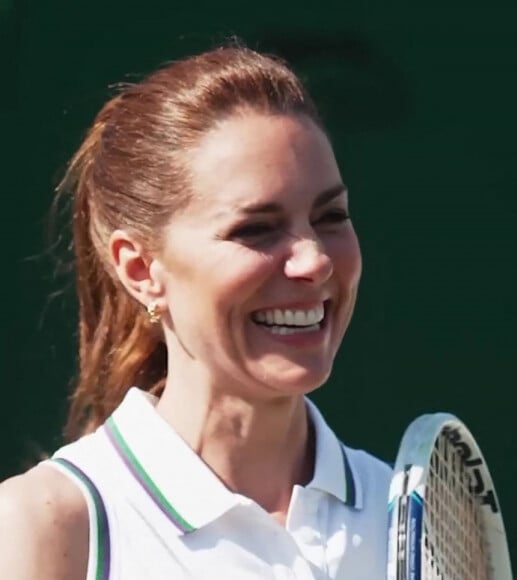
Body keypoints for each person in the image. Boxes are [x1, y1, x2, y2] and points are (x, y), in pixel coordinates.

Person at [0, 44, 392, 579]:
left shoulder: (406, 520)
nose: (315, 260)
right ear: (140, 270)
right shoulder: (47, 525)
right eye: (256, 229)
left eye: (331, 217)